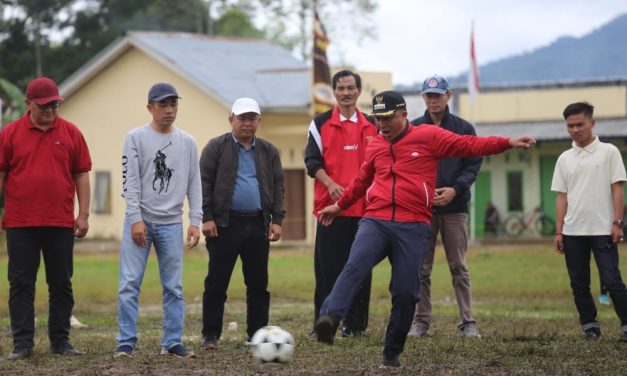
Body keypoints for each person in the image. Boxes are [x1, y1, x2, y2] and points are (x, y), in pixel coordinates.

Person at [314, 91, 535, 368]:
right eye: (378, 119)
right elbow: (360, 182)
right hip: (376, 220)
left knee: (407, 292)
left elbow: (468, 145)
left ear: (404, 115)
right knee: (355, 266)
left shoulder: (428, 136)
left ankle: (391, 352)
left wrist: (507, 143)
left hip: (413, 225)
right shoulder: (376, 145)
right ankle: (330, 319)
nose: (381, 125)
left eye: (387, 118)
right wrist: (339, 205)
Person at [0, 76, 92, 360]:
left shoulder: (71, 132)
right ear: (28, 104)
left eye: (54, 104)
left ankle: (61, 342)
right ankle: (22, 344)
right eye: (44, 105)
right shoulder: (10, 134)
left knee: (61, 283)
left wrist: (84, 214)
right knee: (21, 284)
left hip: (60, 222)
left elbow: (81, 174)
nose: (50, 109)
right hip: (20, 222)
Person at [114, 83, 202, 358]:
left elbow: (194, 183)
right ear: (150, 107)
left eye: (173, 104)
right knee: (129, 283)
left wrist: (195, 220)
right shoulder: (135, 137)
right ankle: (126, 341)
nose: (169, 110)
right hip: (139, 221)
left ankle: (172, 341)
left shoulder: (187, 142)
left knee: (174, 286)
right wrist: (135, 219)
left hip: (172, 223)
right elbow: (130, 183)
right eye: (163, 105)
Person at [199, 97, 285, 350]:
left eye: (252, 118)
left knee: (258, 283)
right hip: (224, 225)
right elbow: (203, 183)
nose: (247, 123)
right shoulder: (216, 147)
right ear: (231, 120)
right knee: (216, 282)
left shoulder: (269, 150)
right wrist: (207, 217)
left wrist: (277, 220)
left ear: (259, 121)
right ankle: (210, 335)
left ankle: (257, 335)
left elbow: (279, 186)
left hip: (258, 224)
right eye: (242, 118)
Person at [407, 75, 483, 338]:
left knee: (459, 267)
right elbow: (408, 166)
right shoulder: (413, 129)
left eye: (438, 95)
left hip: (455, 208)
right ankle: (421, 321)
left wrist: (456, 189)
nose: (433, 100)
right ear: (423, 98)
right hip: (422, 210)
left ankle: (468, 321)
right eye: (428, 96)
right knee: (420, 268)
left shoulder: (464, 129)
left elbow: (473, 164)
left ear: (448, 96)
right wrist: (422, 192)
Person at [304, 70, 377, 338]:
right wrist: (331, 183)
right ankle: (323, 326)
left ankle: (355, 326)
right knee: (327, 271)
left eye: (350, 88)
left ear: (359, 91)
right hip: (330, 211)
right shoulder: (319, 123)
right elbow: (312, 162)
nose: (345, 93)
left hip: (366, 211)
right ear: (334, 92)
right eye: (340, 88)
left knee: (361, 268)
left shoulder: (373, 124)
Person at [552, 101, 627, 341]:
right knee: (579, 284)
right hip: (573, 231)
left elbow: (617, 189)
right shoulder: (564, 158)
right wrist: (558, 231)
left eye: (580, 124)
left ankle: (626, 325)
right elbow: (562, 197)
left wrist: (617, 222)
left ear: (592, 123)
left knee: (613, 280)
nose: (575, 130)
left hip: (603, 229)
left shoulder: (609, 152)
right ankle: (590, 325)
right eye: (570, 126)